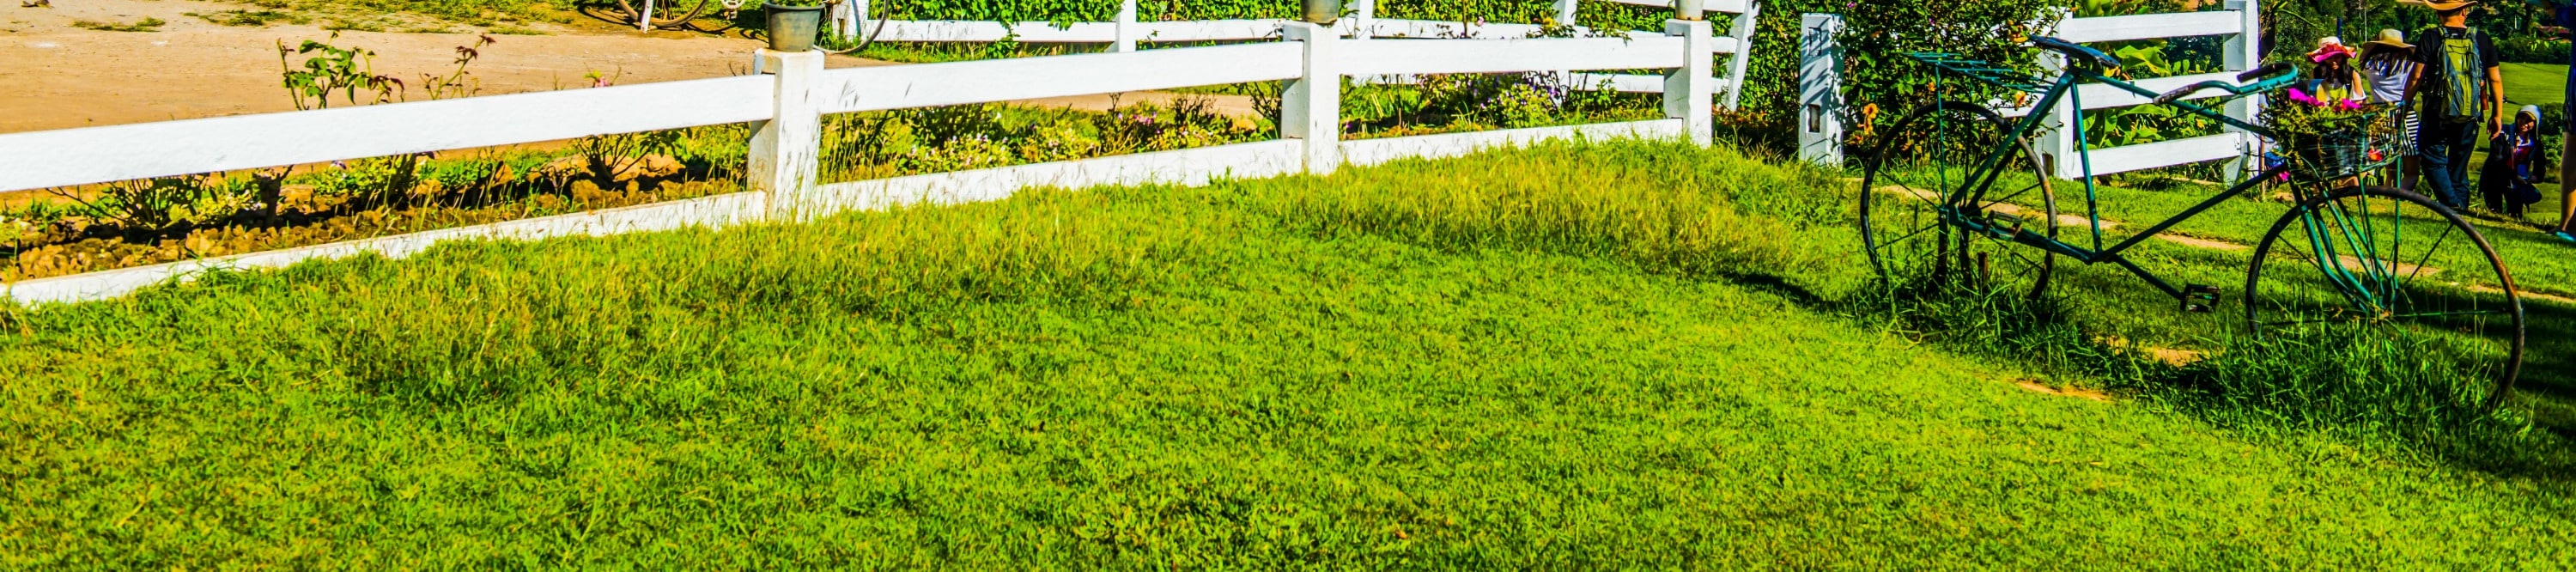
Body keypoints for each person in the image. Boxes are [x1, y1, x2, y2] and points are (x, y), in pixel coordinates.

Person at [2405, 0, 2506, 211]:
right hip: (2470, 114)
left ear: (2438, 14)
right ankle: (2461, 212)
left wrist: (2405, 106)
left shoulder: (2430, 36)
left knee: (2432, 159)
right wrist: (2497, 115)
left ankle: (2453, 207)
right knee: (2459, 168)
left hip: (2436, 112)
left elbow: (2416, 76)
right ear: (2464, 11)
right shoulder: (2482, 38)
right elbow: (2495, 80)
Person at [2357, 30, 2421, 189]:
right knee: (2412, 171)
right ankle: (2400, 196)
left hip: (2382, 117)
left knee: (2390, 167)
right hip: (2405, 115)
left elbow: (2362, 56)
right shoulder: (2409, 65)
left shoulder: (2370, 65)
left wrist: (2372, 45)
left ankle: (2388, 192)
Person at [2482, 105, 2547, 216]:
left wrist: (2536, 175)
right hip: (2495, 178)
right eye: (2521, 118)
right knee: (2494, 211)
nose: (2524, 122)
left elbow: (2540, 162)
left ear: (2535, 123)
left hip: (2517, 182)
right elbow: (2497, 159)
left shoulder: (2535, 142)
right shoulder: (2502, 133)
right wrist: (2514, 176)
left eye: (2529, 120)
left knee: (2515, 213)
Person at [2307, 38, 2365, 106]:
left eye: (2337, 57)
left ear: (2342, 57)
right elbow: (2313, 98)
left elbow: (2358, 102)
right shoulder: (2316, 73)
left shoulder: (2352, 74)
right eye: (2329, 58)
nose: (2333, 61)